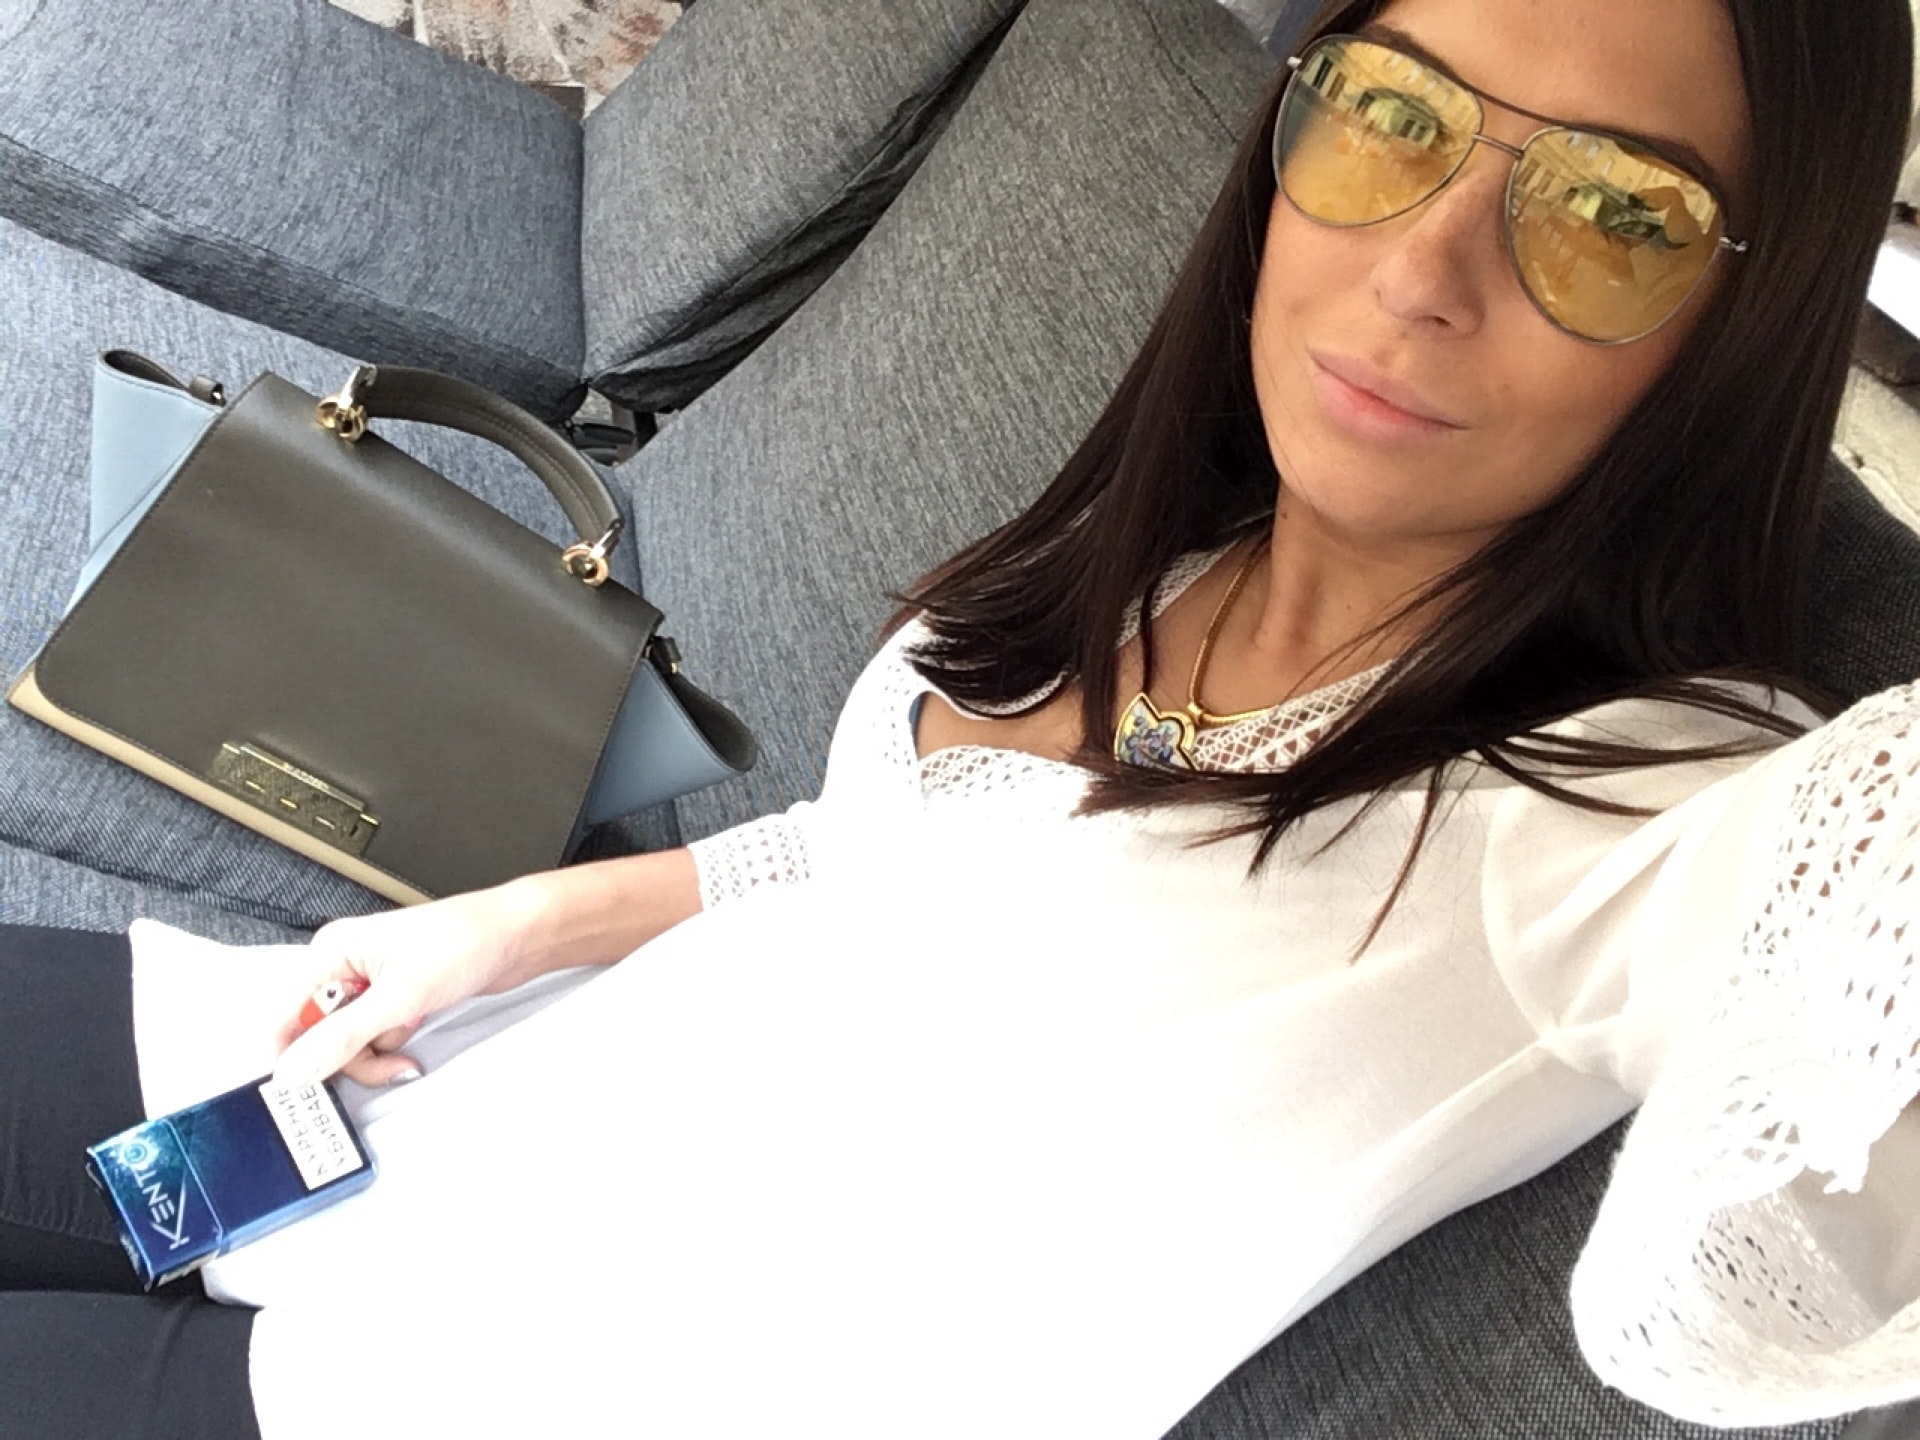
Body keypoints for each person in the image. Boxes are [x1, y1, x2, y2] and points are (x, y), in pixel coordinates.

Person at [3, 0, 1917, 1435]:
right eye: (1395, 116)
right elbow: (877, 856)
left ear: (1740, 329)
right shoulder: (1172, 556)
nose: (1423, 267)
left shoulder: (1618, 818)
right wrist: (519, 922)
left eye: (1616, 213)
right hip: (387, 1089)